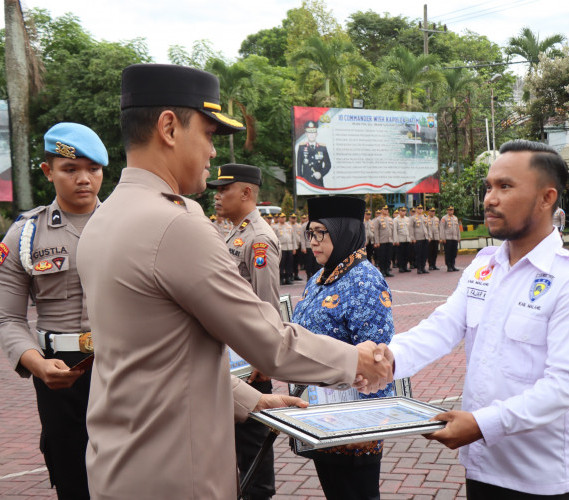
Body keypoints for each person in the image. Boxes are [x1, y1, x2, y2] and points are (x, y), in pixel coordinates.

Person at [76, 63, 392, 499]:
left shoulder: (103, 218)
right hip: (176, 475)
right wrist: (357, 362)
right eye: (207, 134)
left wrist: (252, 399)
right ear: (169, 127)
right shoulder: (174, 224)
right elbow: (270, 342)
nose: (211, 152)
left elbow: (155, 356)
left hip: (121, 463)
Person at [381, 139, 569, 499]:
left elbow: (564, 387)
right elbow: (443, 326)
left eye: (505, 186)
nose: (489, 198)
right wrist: (386, 359)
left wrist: (482, 424)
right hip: (482, 467)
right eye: (489, 187)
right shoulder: (485, 264)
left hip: (537, 479)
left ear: (547, 198)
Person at [0, 122, 109, 499]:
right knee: (70, 470)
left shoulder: (126, 225)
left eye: (93, 169)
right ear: (48, 172)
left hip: (122, 364)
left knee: (129, 469)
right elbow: (8, 317)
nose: (84, 179)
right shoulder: (26, 235)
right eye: (70, 169)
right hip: (57, 371)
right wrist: (35, 363)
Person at [292, 196, 393, 500]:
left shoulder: (364, 280)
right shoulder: (319, 277)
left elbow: (376, 357)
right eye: (310, 233)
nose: (313, 241)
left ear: (343, 231)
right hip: (320, 415)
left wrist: (361, 424)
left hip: (352, 422)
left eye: (321, 233)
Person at [206, 163, 280, 500]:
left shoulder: (259, 238)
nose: (218, 197)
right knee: (234, 450)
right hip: (231, 358)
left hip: (251, 365)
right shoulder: (233, 233)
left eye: (224, 190)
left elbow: (267, 304)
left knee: (253, 453)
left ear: (246, 192)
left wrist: (264, 358)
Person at [296, 120, 331, 187]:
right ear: (306, 134)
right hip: (306, 183)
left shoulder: (322, 148)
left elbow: (328, 165)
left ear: (316, 134)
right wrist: (301, 183)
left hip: (318, 182)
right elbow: (299, 166)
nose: (311, 135)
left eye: (313, 132)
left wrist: (321, 174)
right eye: (309, 133)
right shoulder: (301, 147)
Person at [274, 212, 296, 285]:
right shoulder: (275, 227)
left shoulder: (289, 226)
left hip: (289, 247)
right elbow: (274, 239)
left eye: (284, 217)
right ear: (279, 218)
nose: (282, 218)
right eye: (281, 217)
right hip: (281, 248)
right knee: (281, 264)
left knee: (289, 264)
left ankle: (288, 278)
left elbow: (293, 238)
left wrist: (294, 248)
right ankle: (281, 278)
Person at [372, 205, 394, 277]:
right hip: (382, 241)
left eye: (387, 209)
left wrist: (393, 239)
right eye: (385, 209)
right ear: (381, 210)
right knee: (382, 257)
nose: (386, 210)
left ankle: (387, 270)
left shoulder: (390, 219)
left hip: (389, 240)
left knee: (388, 257)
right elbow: (376, 232)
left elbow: (392, 230)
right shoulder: (378, 219)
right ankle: (382, 271)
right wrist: (377, 242)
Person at [440, 206, 460, 272]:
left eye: (451, 210)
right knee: (448, 253)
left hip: (454, 238)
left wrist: (458, 237)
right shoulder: (444, 218)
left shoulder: (455, 218)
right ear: (447, 211)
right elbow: (442, 228)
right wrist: (443, 238)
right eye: (449, 210)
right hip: (447, 238)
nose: (450, 211)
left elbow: (457, 229)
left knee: (454, 253)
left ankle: (453, 265)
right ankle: (449, 266)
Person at [411, 204, 430, 273]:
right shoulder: (413, 218)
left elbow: (428, 227)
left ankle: (423, 267)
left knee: (425, 254)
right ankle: (419, 268)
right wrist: (413, 238)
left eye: (421, 208)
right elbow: (411, 228)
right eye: (418, 208)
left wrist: (429, 236)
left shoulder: (425, 217)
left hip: (425, 237)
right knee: (419, 254)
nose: (420, 210)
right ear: (416, 209)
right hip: (418, 238)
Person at [393, 206, 412, 273]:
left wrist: (410, 238)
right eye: (402, 211)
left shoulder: (407, 219)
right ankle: (401, 267)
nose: (403, 212)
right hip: (400, 239)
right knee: (400, 254)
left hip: (407, 239)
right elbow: (395, 231)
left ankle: (405, 266)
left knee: (406, 254)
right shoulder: (396, 219)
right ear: (399, 211)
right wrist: (396, 240)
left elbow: (409, 230)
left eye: (404, 211)